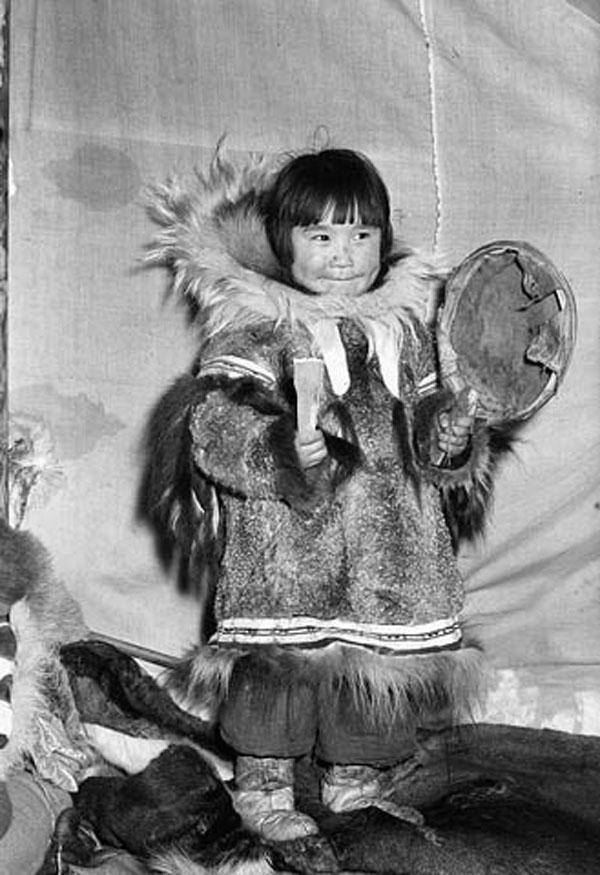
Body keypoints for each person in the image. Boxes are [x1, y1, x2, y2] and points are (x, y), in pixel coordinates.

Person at [144, 148, 511, 841]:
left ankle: (354, 780)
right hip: (285, 555)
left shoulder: (412, 337)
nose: (343, 255)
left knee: (369, 689)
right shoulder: (258, 330)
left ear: (384, 238)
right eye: (321, 236)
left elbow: (437, 452)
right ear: (283, 244)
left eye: (361, 234)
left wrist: (453, 427)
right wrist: (281, 448)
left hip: (391, 558)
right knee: (271, 687)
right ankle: (262, 784)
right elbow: (213, 426)